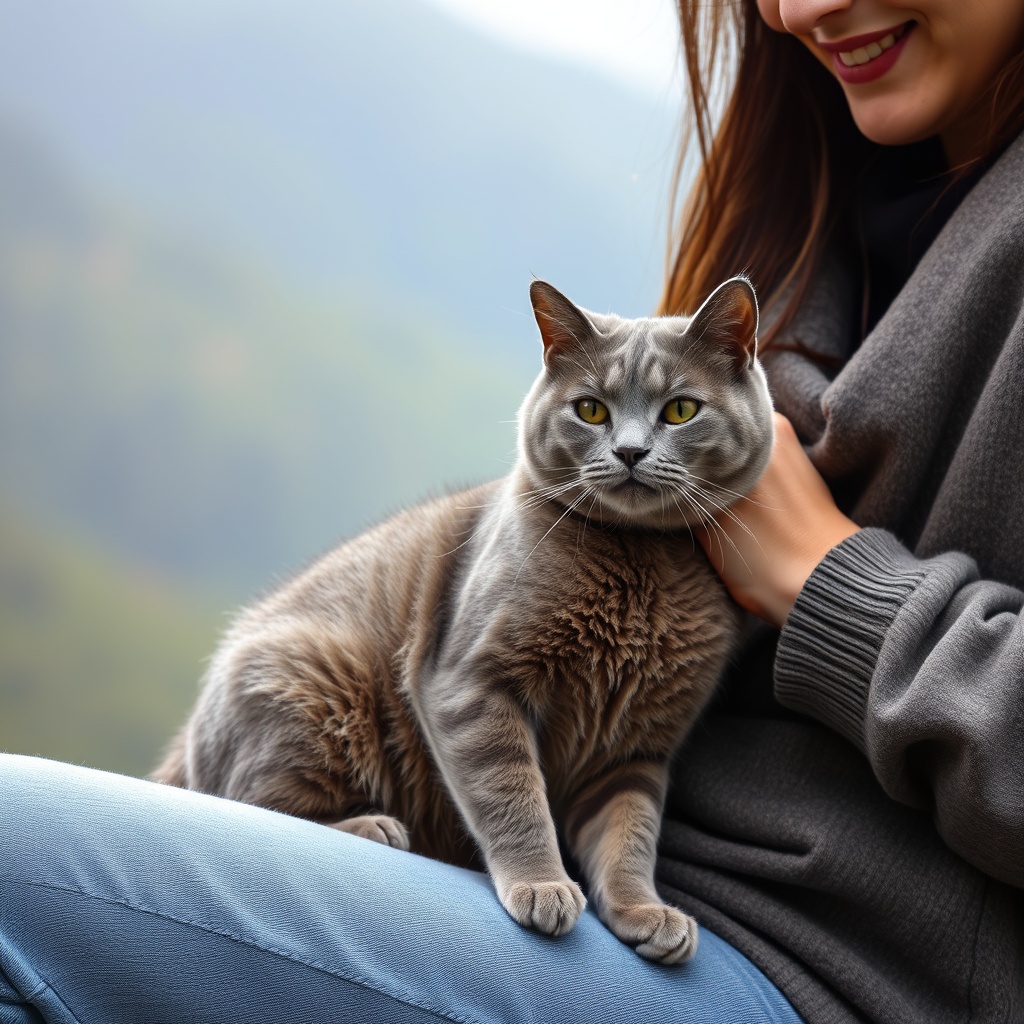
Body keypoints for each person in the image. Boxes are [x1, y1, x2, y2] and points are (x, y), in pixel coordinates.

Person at [2, 0, 1022, 1020]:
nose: (797, 8)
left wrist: (828, 581)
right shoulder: (826, 185)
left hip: (801, 972)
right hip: (565, 898)